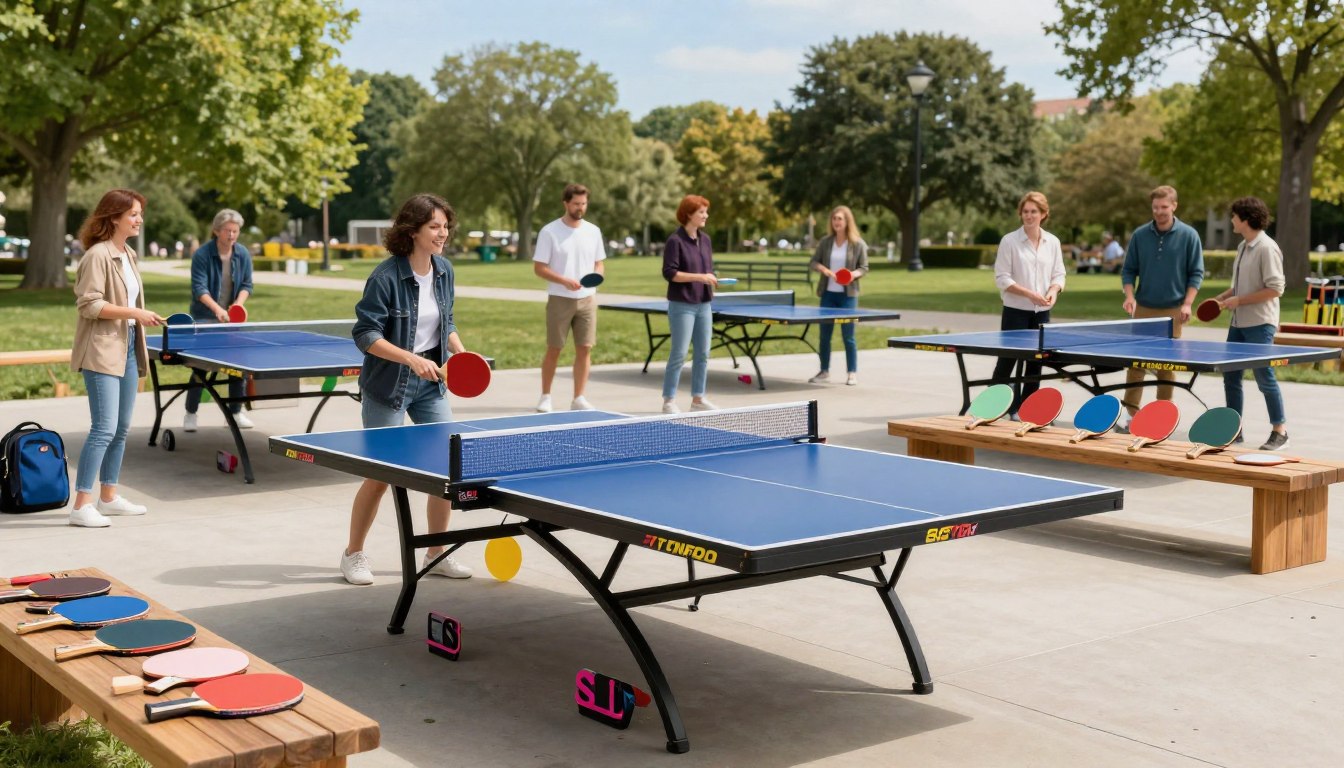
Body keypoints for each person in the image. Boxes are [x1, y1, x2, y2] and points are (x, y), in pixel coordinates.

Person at [340, 194, 475, 585]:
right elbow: (365, 335)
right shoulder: (385, 277)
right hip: (388, 384)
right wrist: (410, 358)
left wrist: (462, 355)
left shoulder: (445, 270)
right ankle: (353, 554)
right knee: (380, 475)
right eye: (434, 226)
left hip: (431, 385)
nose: (443, 232)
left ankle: (436, 552)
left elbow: (445, 323)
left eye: (445, 225)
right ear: (412, 230)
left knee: (447, 468)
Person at [69, 189, 166, 528]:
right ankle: (81, 504)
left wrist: (136, 317)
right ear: (114, 217)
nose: (139, 219)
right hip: (101, 351)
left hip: (125, 349)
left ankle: (107, 498)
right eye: (134, 214)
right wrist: (135, 312)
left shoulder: (127, 254)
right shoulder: (97, 256)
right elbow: (89, 305)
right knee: (103, 429)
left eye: (139, 213)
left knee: (122, 428)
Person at [1119, 185, 1204, 431]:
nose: (1159, 212)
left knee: (1166, 367)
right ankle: (1132, 416)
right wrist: (1129, 296)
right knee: (1136, 365)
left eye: (1164, 207)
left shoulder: (1189, 235)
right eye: (1155, 207)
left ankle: (1161, 414)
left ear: (1174, 206)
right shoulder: (1139, 235)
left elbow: (1196, 273)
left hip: (1173, 311)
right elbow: (1128, 270)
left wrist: (1187, 304)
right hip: (1144, 309)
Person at [1211, 196, 1289, 450]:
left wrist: (1240, 300)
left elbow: (1276, 289)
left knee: (1264, 375)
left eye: (1234, 216)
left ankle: (1280, 431)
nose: (1231, 220)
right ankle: (1234, 429)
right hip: (1238, 323)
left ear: (1245, 219)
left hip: (1260, 324)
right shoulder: (1244, 246)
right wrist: (1222, 298)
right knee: (1231, 376)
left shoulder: (1267, 247)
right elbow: (1241, 285)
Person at [991, 192, 1066, 416]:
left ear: (1043, 214)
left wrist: (1054, 290)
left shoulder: (1053, 242)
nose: (1029, 216)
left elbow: (1059, 274)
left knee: (1035, 364)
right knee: (1007, 361)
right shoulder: (1009, 241)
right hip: (1015, 312)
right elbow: (1002, 278)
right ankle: (992, 406)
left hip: (1042, 313)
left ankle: (1027, 410)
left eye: (1034, 211)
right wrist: (1029, 294)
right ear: (1021, 214)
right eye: (1025, 212)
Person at [533, 183, 606, 413]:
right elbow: (539, 268)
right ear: (566, 203)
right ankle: (545, 396)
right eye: (576, 203)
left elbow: (599, 263)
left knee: (585, 347)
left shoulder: (593, 231)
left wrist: (598, 276)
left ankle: (579, 398)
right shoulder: (549, 232)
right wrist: (564, 280)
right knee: (555, 347)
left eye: (583, 203)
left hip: (587, 299)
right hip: (559, 298)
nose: (580, 208)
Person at [184, 209, 255, 432]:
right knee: (200, 366)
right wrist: (218, 310)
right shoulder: (203, 255)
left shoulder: (242, 253)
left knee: (237, 365)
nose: (232, 235)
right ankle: (191, 413)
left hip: (231, 319)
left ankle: (235, 412)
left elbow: (246, 285)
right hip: (205, 316)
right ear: (216, 231)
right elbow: (199, 288)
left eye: (236, 231)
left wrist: (237, 306)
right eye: (228, 231)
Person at [660, 195, 718, 414]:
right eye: (701, 212)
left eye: (705, 211)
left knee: (703, 353)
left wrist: (710, 278)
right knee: (679, 353)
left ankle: (698, 398)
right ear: (688, 214)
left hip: (704, 304)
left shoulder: (706, 240)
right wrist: (701, 277)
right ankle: (669, 400)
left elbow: (705, 271)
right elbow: (670, 273)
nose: (706, 216)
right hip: (681, 304)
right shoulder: (675, 240)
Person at [808, 205, 870, 386]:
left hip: (848, 296)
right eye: (834, 219)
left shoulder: (857, 243)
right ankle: (824, 371)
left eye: (840, 219)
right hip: (828, 294)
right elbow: (813, 262)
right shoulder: (826, 242)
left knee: (848, 336)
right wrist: (825, 270)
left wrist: (852, 275)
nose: (837, 222)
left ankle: (852, 372)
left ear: (847, 221)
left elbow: (864, 267)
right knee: (824, 335)